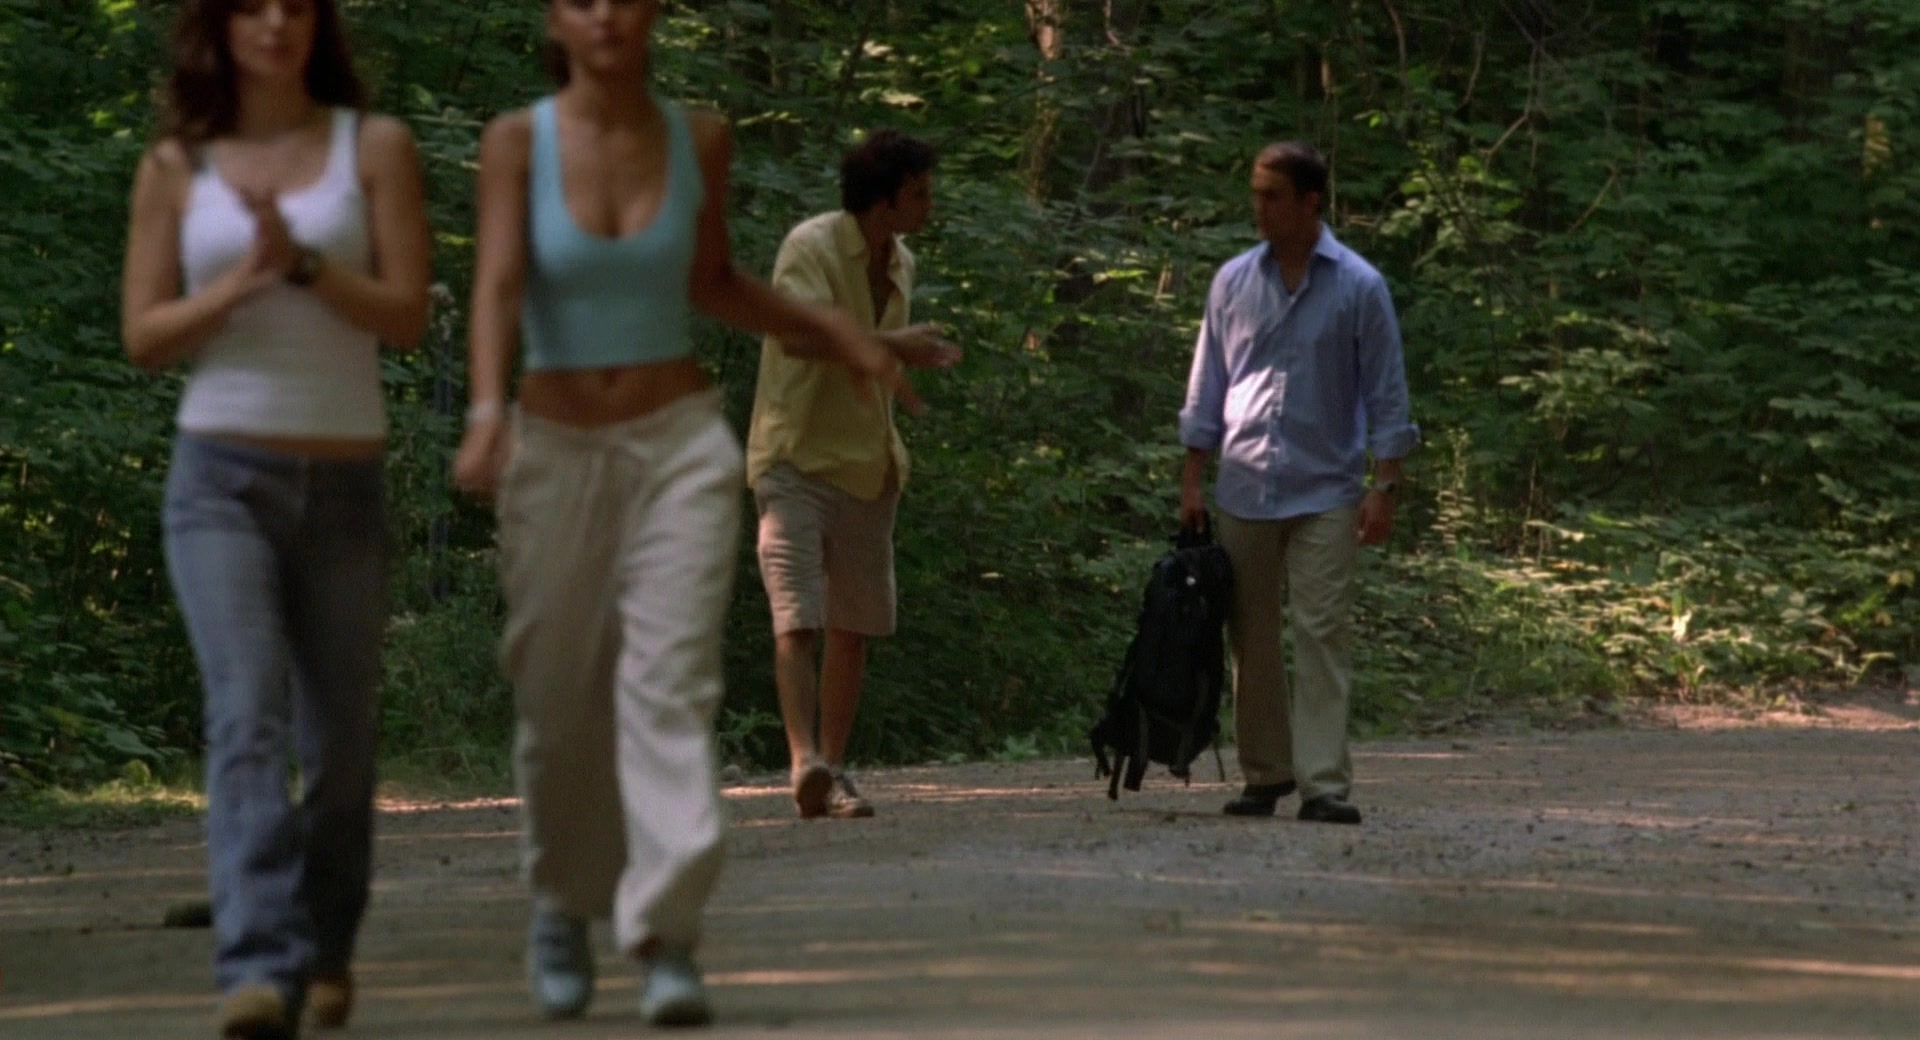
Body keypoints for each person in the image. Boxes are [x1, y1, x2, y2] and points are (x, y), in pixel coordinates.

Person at [449, 0, 913, 1026]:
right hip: (554, 445)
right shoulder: (517, 143)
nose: (605, 14)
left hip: (677, 446)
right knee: (561, 694)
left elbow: (715, 282)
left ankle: (665, 932)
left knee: (668, 685)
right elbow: (497, 282)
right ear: (556, 18)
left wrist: (849, 336)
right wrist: (485, 411)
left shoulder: (698, 138)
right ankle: (562, 904)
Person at [118, 0, 432, 1034]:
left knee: (340, 746)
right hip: (219, 479)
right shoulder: (177, 164)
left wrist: (306, 265)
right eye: (253, 5)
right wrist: (244, 282)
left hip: (344, 482)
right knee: (245, 713)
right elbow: (144, 335)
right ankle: (256, 968)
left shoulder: (372, 147)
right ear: (219, 26)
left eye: (296, 5)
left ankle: (326, 944)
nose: (276, 22)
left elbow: (407, 315)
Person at [1178, 142, 1418, 827]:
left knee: (1321, 629)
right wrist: (1191, 479)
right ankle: (1266, 773)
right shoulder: (1232, 282)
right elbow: (1207, 384)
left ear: (1310, 202)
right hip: (1245, 485)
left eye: (1272, 195)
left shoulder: (1359, 286)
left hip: (1328, 488)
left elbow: (1387, 392)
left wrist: (1385, 485)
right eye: (1255, 193)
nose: (1258, 207)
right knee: (1250, 636)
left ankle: (1324, 784)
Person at [744, 130, 959, 820]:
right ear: (883, 199)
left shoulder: (902, 263)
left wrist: (899, 369)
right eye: (918, 194)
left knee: (852, 625)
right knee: (796, 617)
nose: (928, 206)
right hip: (795, 457)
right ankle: (803, 759)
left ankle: (831, 770)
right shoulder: (809, 248)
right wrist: (894, 345)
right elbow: (796, 335)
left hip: (867, 464)